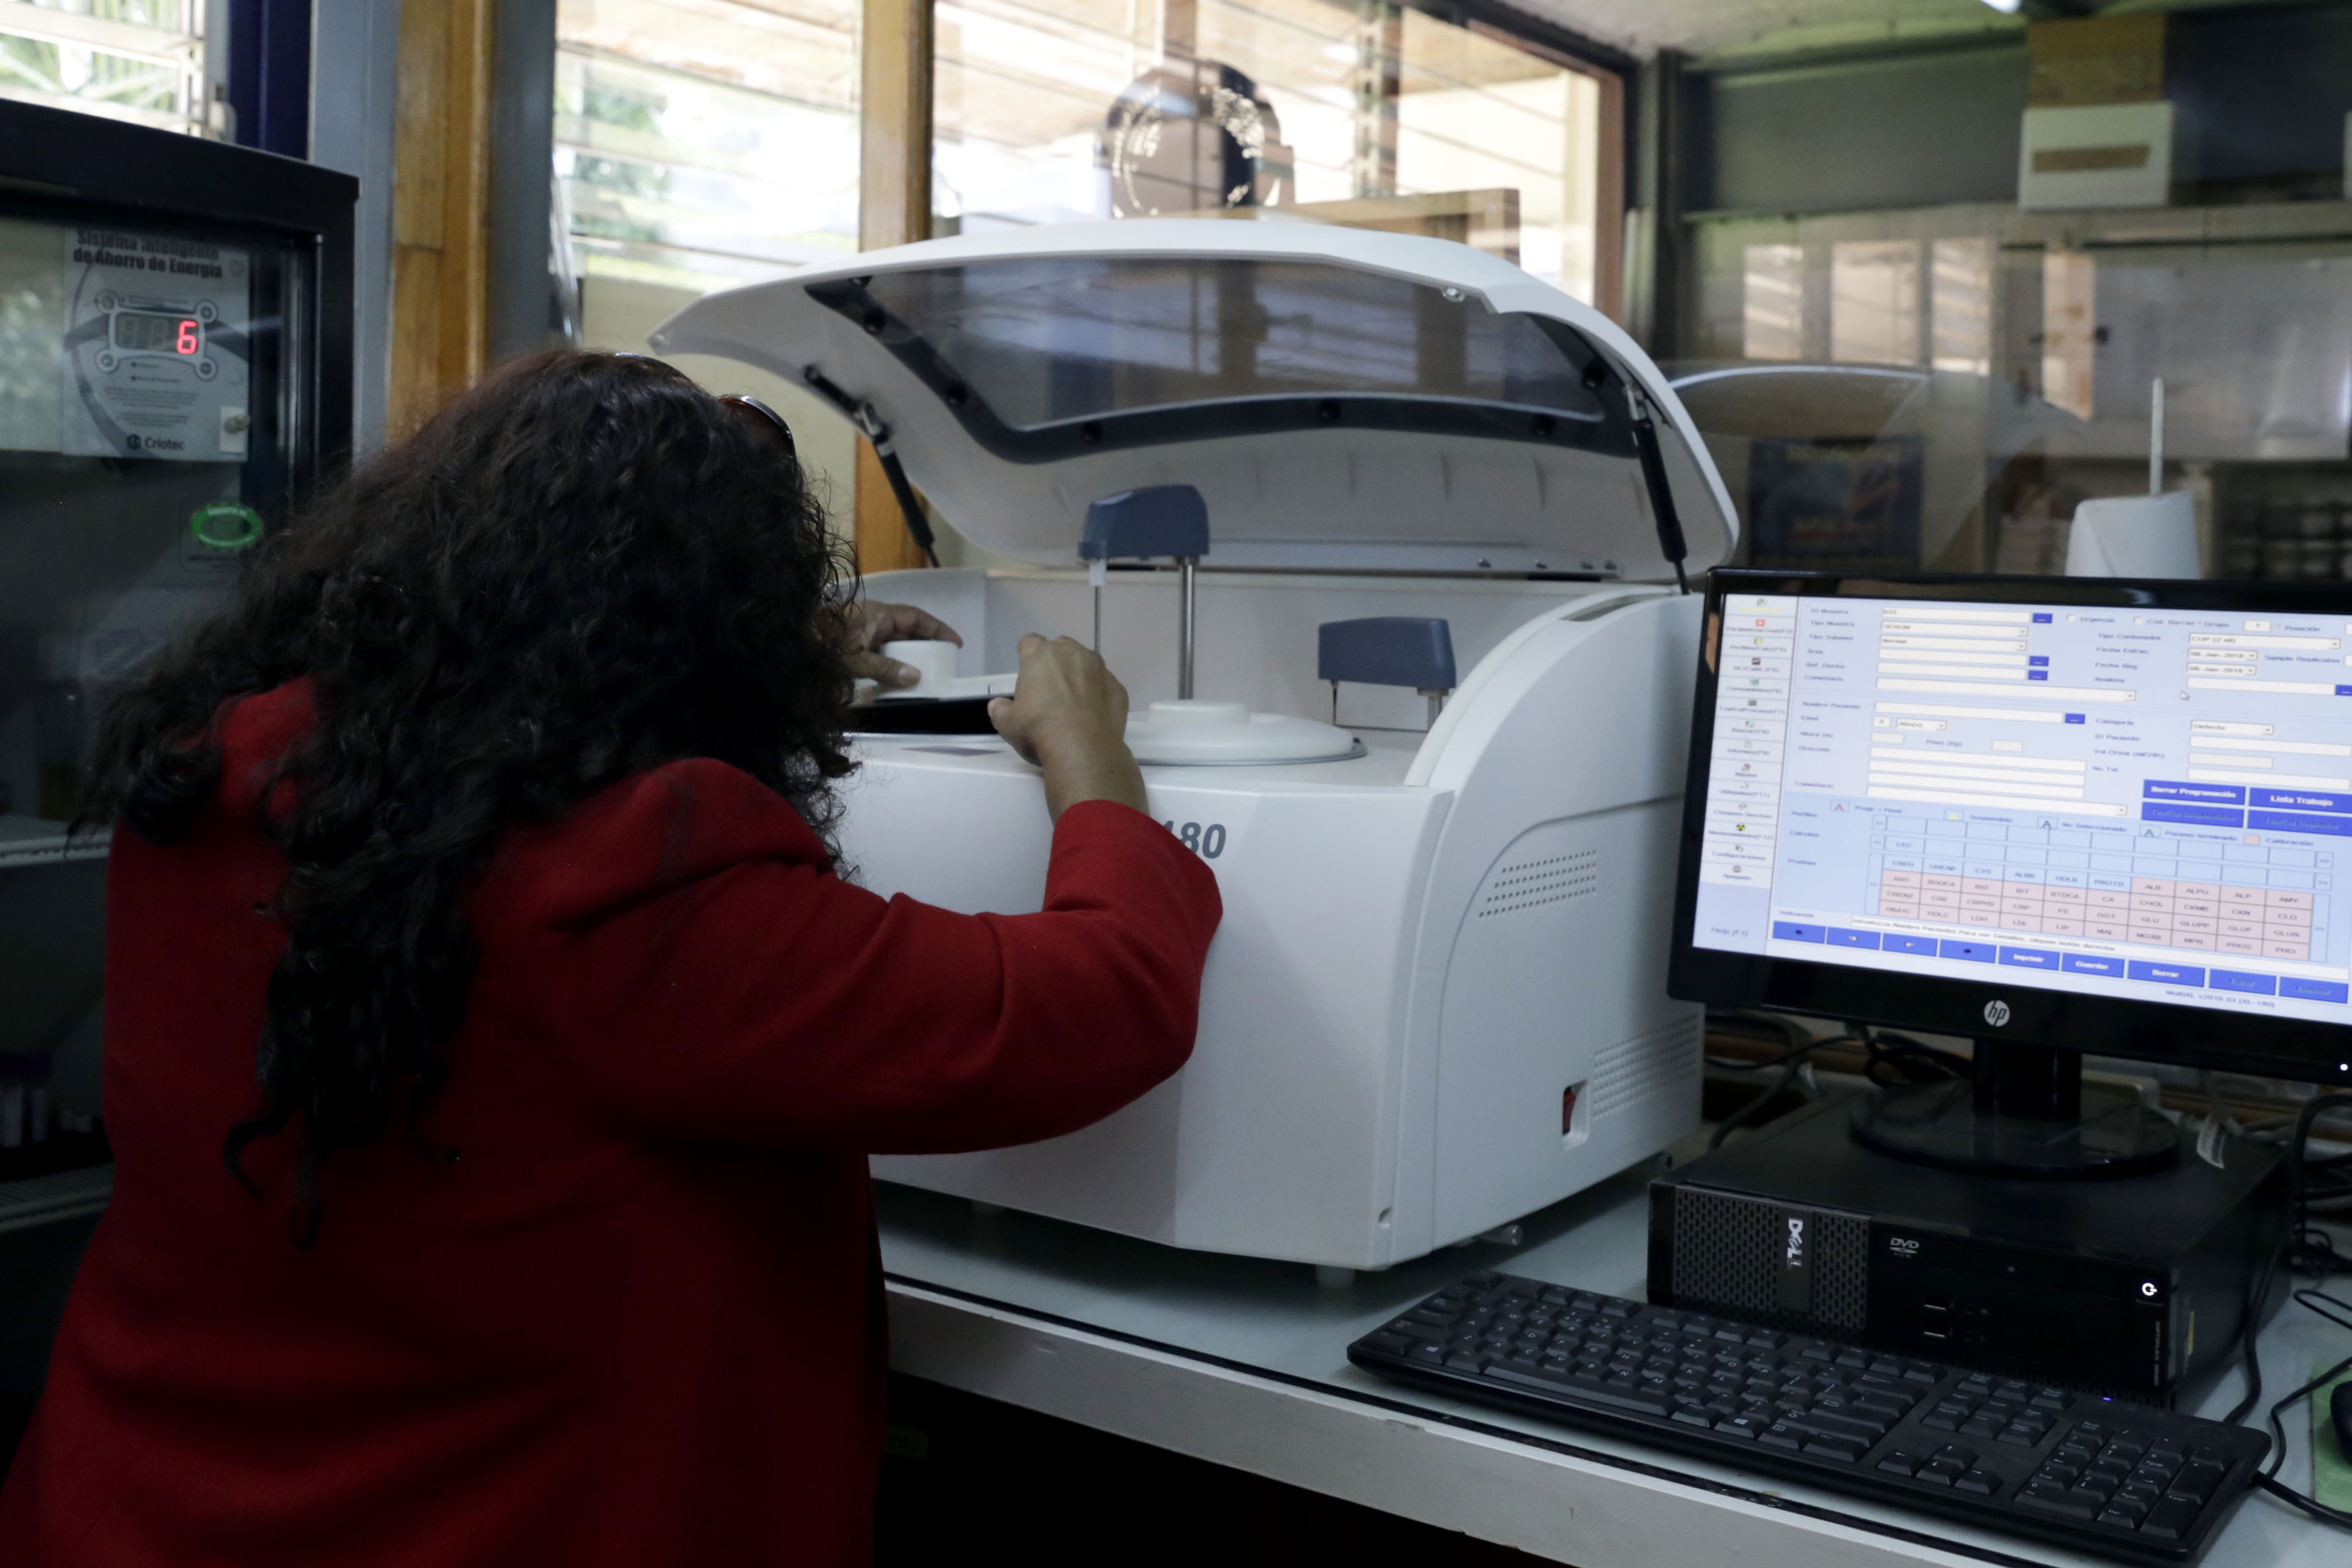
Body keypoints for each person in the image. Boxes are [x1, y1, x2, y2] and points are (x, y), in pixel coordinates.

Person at [0, 351, 1220, 1565]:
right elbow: (1102, 997)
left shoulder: (209, 773)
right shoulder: (626, 881)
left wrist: (765, 661)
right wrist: (1092, 759)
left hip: (130, 1507)